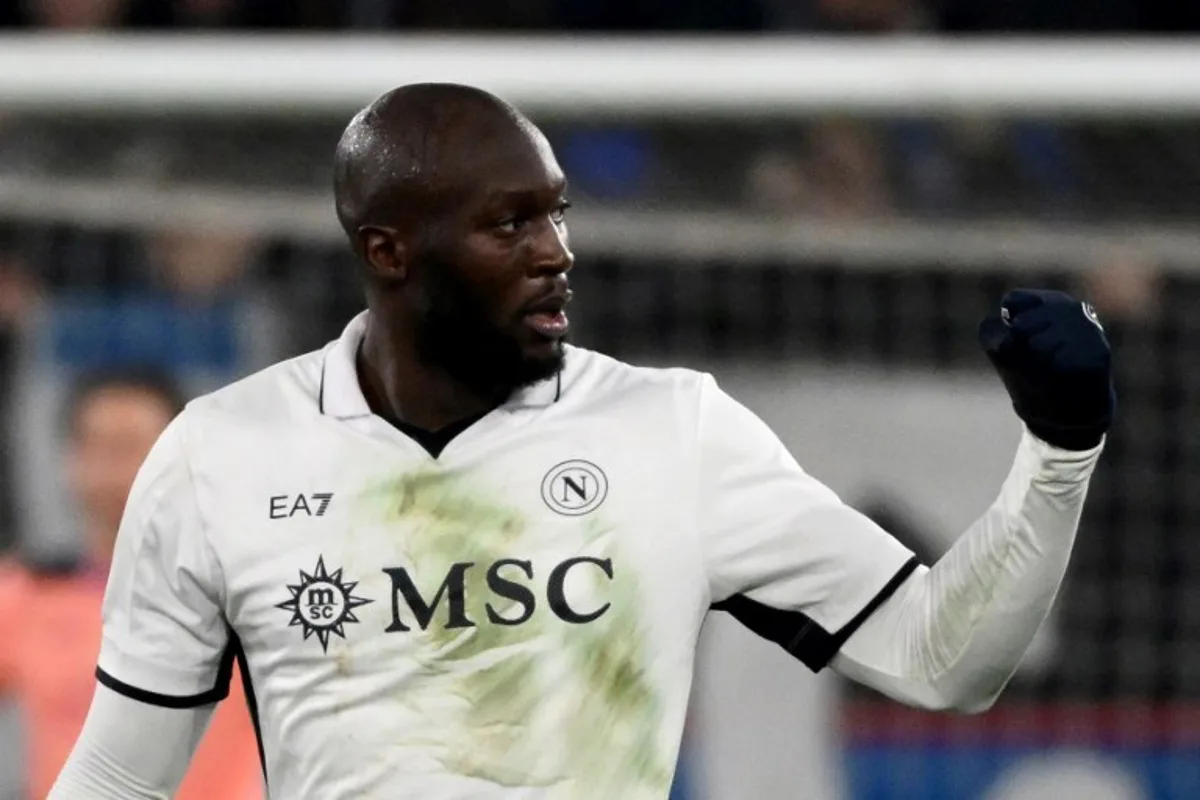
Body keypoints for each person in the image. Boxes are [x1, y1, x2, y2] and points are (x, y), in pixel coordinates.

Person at [48, 83, 1113, 799]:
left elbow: (943, 657)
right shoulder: (221, 455)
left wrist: (1058, 451)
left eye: (557, 216)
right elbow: (120, 776)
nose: (557, 254)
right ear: (389, 250)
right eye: (510, 225)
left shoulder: (673, 433)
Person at [0, 370, 262, 799]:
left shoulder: (246, 589)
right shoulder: (28, 594)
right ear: (71, 461)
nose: (118, 470)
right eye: (99, 447)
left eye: (135, 447)